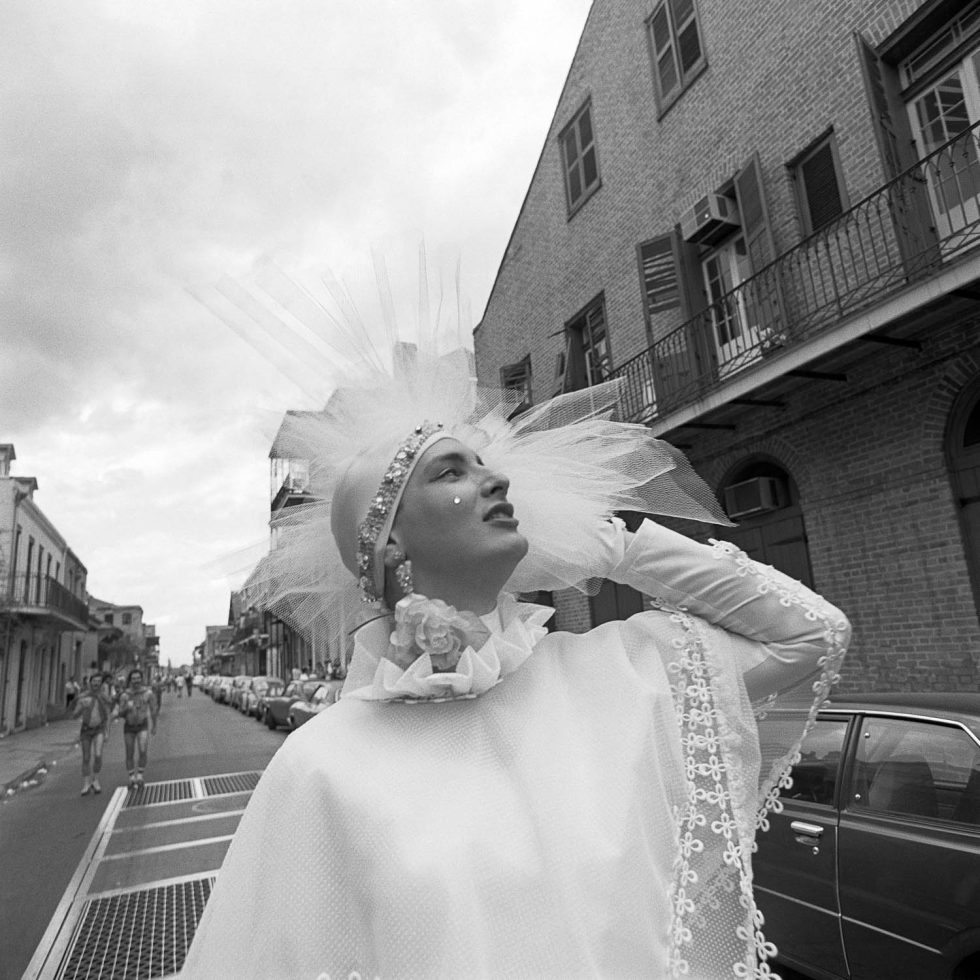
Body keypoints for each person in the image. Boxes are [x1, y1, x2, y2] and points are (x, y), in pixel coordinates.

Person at [182, 275, 850, 977]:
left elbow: (811, 635)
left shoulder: (627, 673)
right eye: (450, 473)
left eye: (486, 465)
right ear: (391, 547)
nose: (496, 481)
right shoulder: (321, 766)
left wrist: (622, 546)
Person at [113, 668, 159, 788]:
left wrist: (154, 725)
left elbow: (154, 709)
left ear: (141, 679)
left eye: (138, 678)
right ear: (130, 680)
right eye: (133, 679)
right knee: (130, 752)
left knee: (143, 750)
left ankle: (140, 775)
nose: (136, 681)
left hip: (142, 725)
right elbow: (120, 713)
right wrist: (126, 708)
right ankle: (131, 777)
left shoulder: (148, 693)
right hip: (129, 726)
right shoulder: (125, 695)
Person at [71, 674, 113, 796]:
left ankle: (96, 779)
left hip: (99, 729)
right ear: (90, 683)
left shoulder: (104, 697)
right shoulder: (83, 697)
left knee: (98, 755)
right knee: (86, 757)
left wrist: (107, 732)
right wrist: (82, 707)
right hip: (86, 730)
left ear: (101, 684)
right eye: (94, 681)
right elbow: (74, 715)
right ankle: (86, 783)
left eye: (99, 681)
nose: (96, 683)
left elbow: (107, 715)